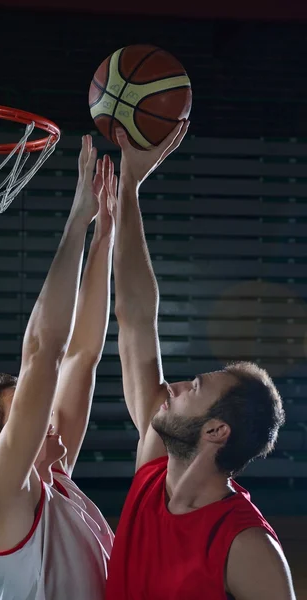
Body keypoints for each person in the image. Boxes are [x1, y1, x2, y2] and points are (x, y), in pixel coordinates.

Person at [105, 122, 296, 600]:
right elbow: (134, 318)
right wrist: (129, 186)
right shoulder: (154, 472)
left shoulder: (247, 544)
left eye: (193, 390)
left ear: (215, 432)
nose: (172, 388)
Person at [0, 136, 117, 600]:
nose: (43, 412)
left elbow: (81, 357)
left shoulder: (53, 476)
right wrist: (77, 222)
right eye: (25, 411)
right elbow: (45, 353)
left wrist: (104, 238)